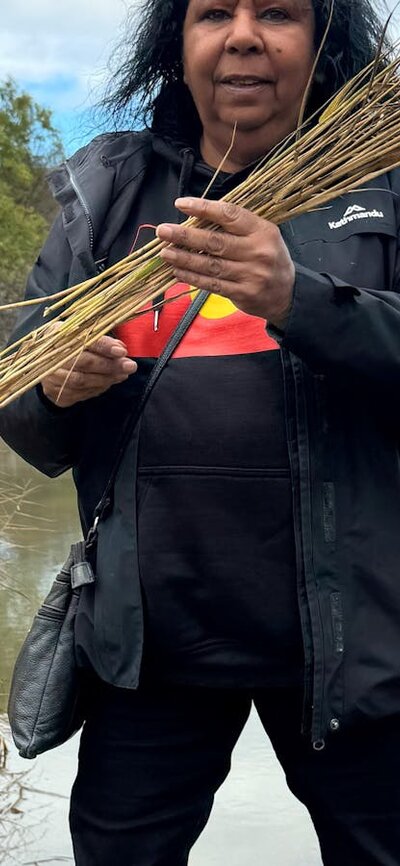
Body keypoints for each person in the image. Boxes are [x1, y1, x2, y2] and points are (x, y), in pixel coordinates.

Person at [1, 0, 400, 863]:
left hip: (359, 645)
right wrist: (54, 390)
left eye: (281, 13)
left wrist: (304, 302)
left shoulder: (384, 183)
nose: (245, 34)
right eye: (215, 11)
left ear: (325, 40)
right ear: (176, 45)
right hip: (149, 648)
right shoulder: (106, 191)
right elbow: (22, 411)